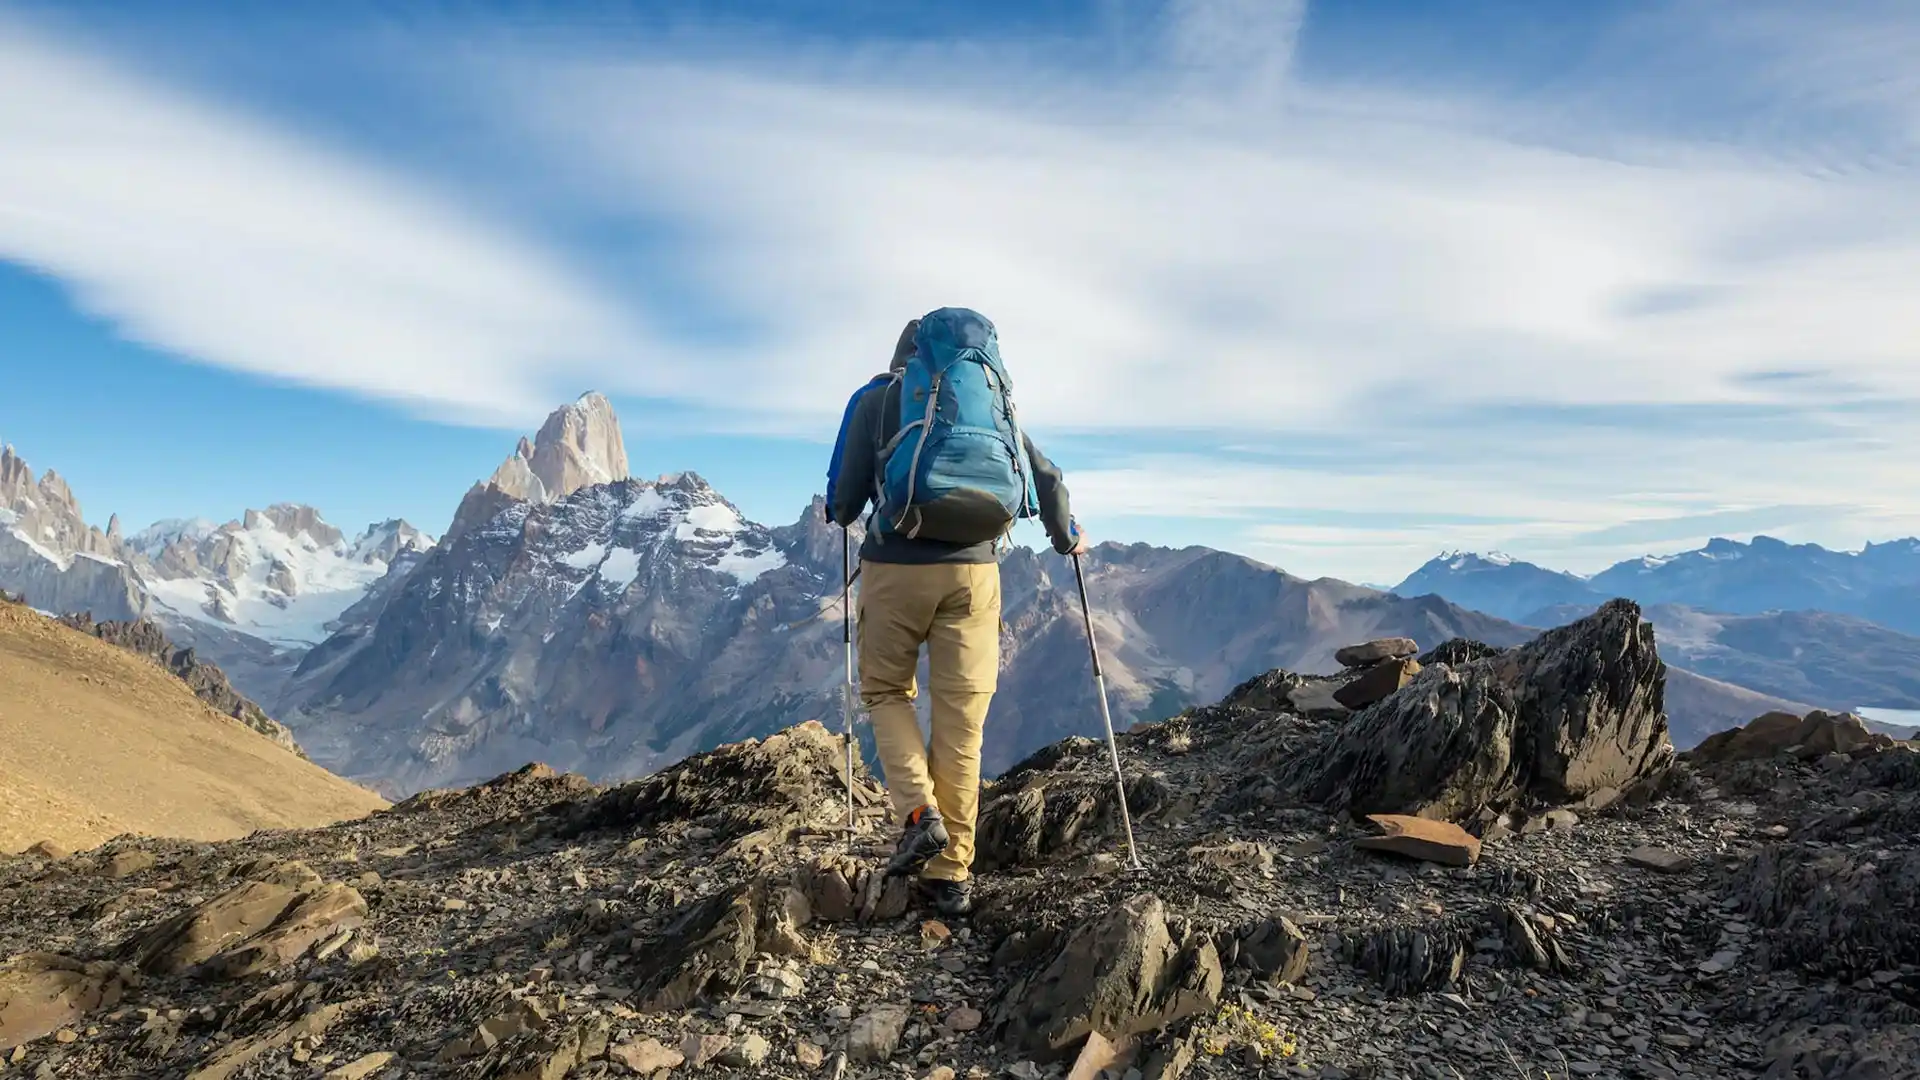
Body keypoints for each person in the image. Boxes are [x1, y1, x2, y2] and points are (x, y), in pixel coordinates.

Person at [827, 310, 1085, 917]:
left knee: (887, 691)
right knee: (962, 723)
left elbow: (842, 500)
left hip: (896, 570)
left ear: (906, 359)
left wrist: (853, 505)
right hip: (975, 574)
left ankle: (919, 813)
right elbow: (1044, 478)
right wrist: (1066, 535)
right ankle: (951, 877)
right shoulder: (990, 399)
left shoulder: (877, 400)